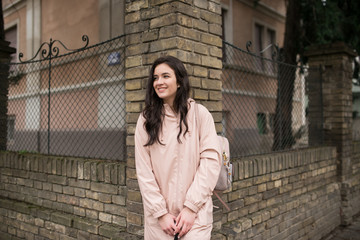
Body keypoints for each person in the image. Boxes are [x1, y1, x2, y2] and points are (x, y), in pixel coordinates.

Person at [135, 56, 221, 239]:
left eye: (166, 76)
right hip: (159, 220)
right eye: (156, 78)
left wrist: (191, 208)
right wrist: (160, 213)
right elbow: (144, 171)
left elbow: (211, 162)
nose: (159, 82)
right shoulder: (145, 120)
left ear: (180, 81)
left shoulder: (200, 115)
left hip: (196, 216)